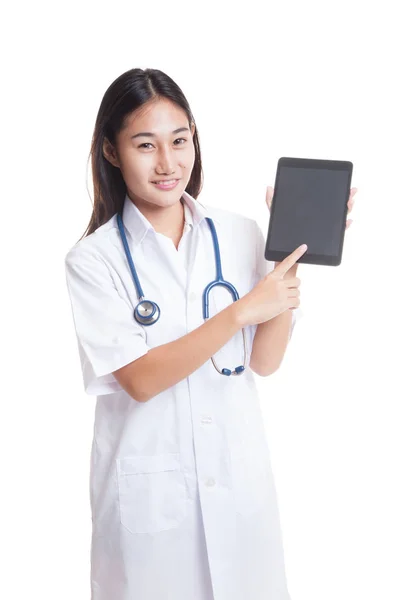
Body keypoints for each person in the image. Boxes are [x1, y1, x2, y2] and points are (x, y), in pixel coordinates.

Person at [64, 67, 355, 600]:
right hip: (152, 509)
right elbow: (141, 380)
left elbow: (263, 363)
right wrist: (242, 311)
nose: (168, 163)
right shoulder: (94, 259)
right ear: (111, 152)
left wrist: (286, 274)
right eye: (145, 145)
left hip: (239, 491)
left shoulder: (240, 233)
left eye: (180, 140)